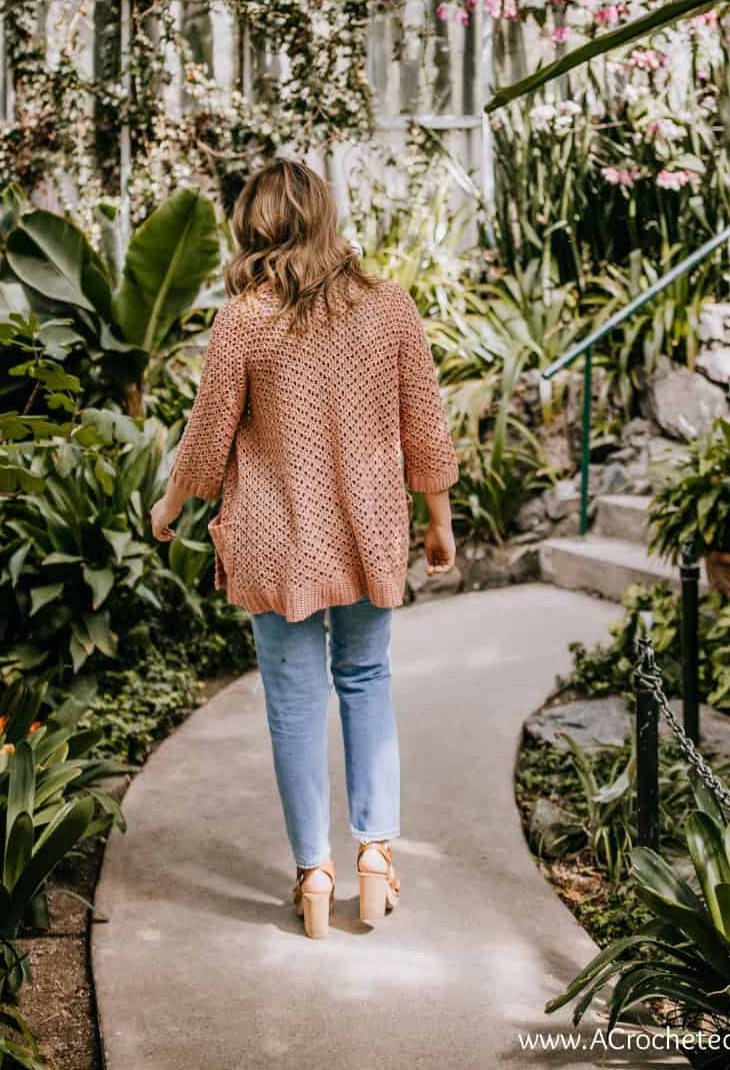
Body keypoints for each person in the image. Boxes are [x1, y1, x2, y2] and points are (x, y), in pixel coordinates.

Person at [149, 158, 458, 939]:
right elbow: (426, 421)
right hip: (367, 535)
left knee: (293, 706)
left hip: (276, 539)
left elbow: (208, 433)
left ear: (254, 226)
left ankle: (313, 874)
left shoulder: (245, 320)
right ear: (325, 217)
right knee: (367, 681)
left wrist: (172, 503)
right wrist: (439, 517)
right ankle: (376, 858)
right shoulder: (388, 306)